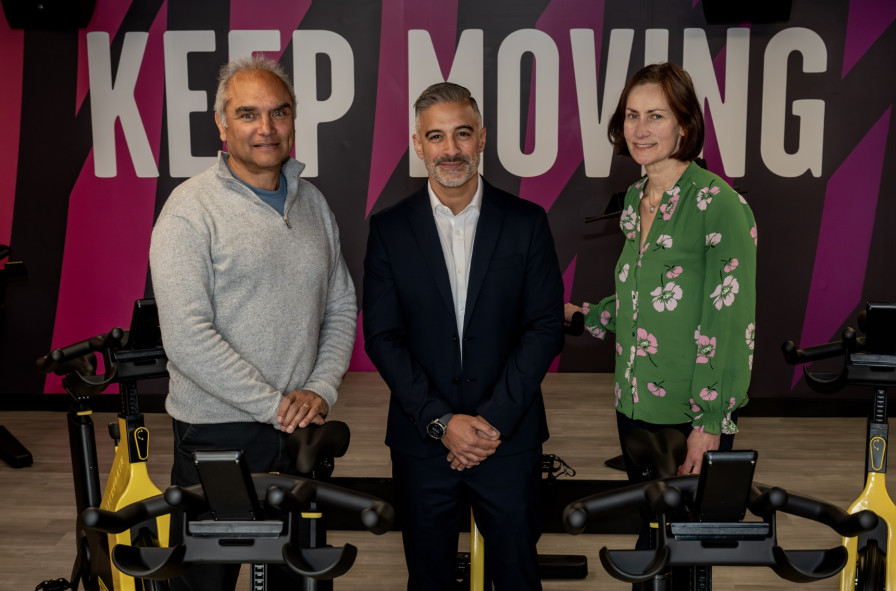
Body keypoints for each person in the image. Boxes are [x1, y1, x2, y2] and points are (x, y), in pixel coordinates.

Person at [148, 55, 357, 591]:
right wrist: (274, 406)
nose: (266, 128)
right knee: (203, 583)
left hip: (297, 434)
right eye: (247, 114)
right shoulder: (190, 210)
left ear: (293, 119)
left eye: (278, 112)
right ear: (221, 125)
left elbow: (339, 306)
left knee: (298, 579)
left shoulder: (312, 203)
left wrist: (320, 386)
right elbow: (187, 338)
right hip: (217, 434)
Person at [363, 82, 563, 590]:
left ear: (482, 139)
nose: (450, 150)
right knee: (427, 579)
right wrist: (440, 422)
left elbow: (544, 329)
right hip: (421, 444)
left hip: (509, 439)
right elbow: (383, 336)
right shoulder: (388, 229)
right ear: (418, 145)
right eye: (436, 137)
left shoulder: (527, 223)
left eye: (462, 134)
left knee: (517, 576)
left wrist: (489, 423)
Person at [565, 62, 757, 479]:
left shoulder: (718, 203)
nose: (640, 129)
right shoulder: (635, 198)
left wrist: (711, 421)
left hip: (689, 414)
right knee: (652, 528)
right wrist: (587, 316)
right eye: (632, 116)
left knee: (689, 538)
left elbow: (730, 322)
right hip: (632, 405)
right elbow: (647, 296)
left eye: (656, 116)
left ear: (684, 125)